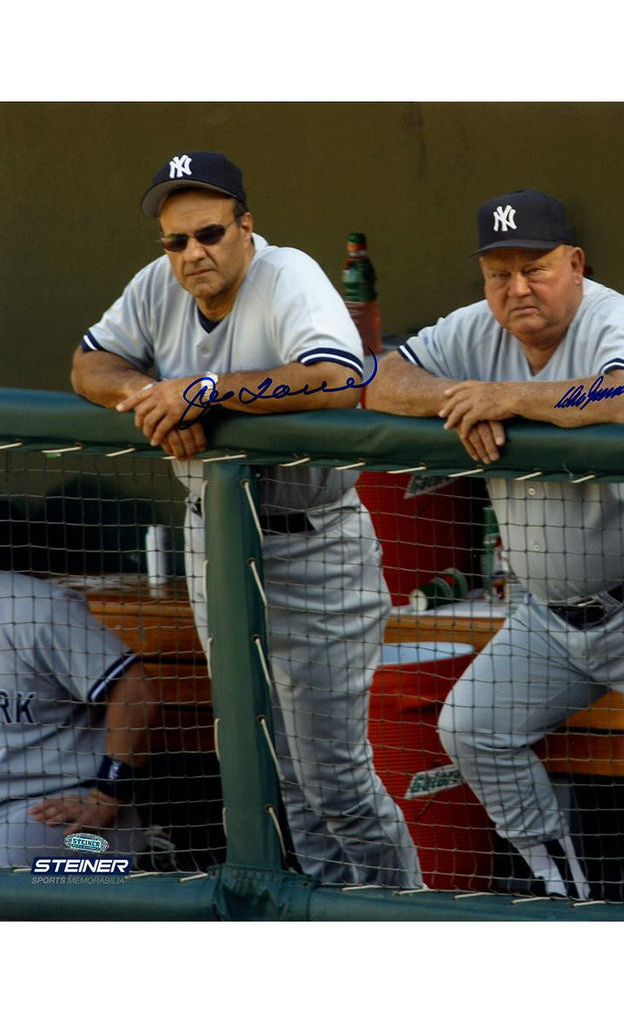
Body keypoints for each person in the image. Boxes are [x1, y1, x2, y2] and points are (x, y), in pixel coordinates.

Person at [366, 188, 624, 902]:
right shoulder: (479, 328)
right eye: (499, 273)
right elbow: (375, 375)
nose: (516, 288)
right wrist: (458, 400)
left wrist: (505, 400)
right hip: (552, 620)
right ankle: (569, 902)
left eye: (534, 268)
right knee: (473, 729)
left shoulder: (611, 316)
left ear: (575, 263)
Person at [70, 151, 421, 888]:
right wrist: (152, 396)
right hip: (215, 540)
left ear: (246, 227)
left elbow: (336, 378)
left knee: (334, 780)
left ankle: (402, 912)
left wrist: (203, 391)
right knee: (271, 773)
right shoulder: (157, 286)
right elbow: (88, 365)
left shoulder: (288, 275)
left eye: (209, 234)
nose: (193, 253)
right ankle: (333, 911)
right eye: (176, 241)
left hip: (311, 542)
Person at [0, 568, 156, 867]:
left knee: (7, 871)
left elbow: (136, 693)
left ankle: (136, 862)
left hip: (78, 825)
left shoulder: (33, 609)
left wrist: (108, 795)